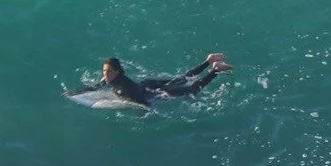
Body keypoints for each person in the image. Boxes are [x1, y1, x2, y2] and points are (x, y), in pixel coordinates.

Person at [88, 54, 231, 107]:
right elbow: (96, 86)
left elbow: (143, 104)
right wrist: (73, 93)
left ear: (117, 71)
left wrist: (145, 114)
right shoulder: (111, 79)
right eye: (104, 71)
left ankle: (215, 70)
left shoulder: (124, 89)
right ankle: (208, 60)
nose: (105, 74)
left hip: (154, 92)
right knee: (181, 79)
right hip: (145, 84)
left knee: (192, 89)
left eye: (108, 71)